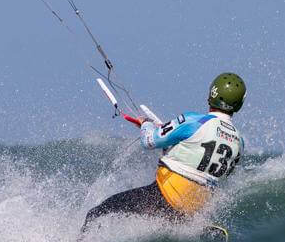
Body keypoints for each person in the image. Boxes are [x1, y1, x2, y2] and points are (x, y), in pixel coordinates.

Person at [83, 72, 245, 228]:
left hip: (163, 197)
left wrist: (146, 124)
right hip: (194, 209)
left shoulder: (194, 121)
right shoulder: (239, 142)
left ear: (211, 94)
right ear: (238, 105)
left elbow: (148, 141)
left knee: (94, 214)